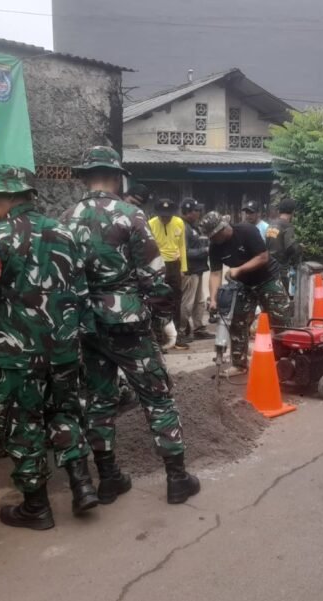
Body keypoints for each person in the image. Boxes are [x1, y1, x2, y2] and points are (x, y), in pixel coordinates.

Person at [0, 165, 94, 530]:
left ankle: (36, 507)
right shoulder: (65, 232)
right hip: (65, 348)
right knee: (65, 412)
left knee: (23, 423)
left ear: (7, 198)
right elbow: (82, 292)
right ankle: (82, 485)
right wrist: (80, 336)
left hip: (20, 353)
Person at [63, 146, 200, 505]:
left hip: (89, 326)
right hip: (129, 323)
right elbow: (153, 275)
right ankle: (177, 478)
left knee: (99, 398)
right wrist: (163, 320)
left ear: (85, 177)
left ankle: (108, 478)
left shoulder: (66, 218)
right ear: (117, 176)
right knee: (157, 396)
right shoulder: (131, 215)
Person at [201, 211, 291, 376]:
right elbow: (215, 274)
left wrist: (239, 269)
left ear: (222, 229)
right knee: (238, 321)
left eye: (213, 236)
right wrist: (213, 299)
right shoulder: (215, 246)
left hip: (267, 279)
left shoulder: (246, 231)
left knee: (280, 319)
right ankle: (239, 364)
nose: (212, 240)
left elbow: (263, 257)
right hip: (244, 284)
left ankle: (286, 361)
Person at [148, 198, 189, 350]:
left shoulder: (179, 222)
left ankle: (176, 336)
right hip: (157, 265)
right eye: (162, 216)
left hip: (174, 265)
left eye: (168, 215)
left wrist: (183, 268)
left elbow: (182, 245)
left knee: (175, 300)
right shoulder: (151, 224)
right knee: (158, 300)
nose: (165, 218)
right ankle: (158, 338)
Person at [181, 199, 212, 340]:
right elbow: (184, 252)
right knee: (188, 303)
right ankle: (181, 331)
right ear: (188, 212)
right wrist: (205, 250)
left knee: (199, 301)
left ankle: (199, 328)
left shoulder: (193, 226)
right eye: (196, 210)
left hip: (198, 269)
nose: (199, 213)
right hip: (190, 270)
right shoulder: (183, 227)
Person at [265, 198, 301, 295]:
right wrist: (300, 247)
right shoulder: (287, 226)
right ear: (293, 211)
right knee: (283, 296)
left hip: (268, 265)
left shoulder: (271, 225)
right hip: (280, 267)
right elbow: (290, 247)